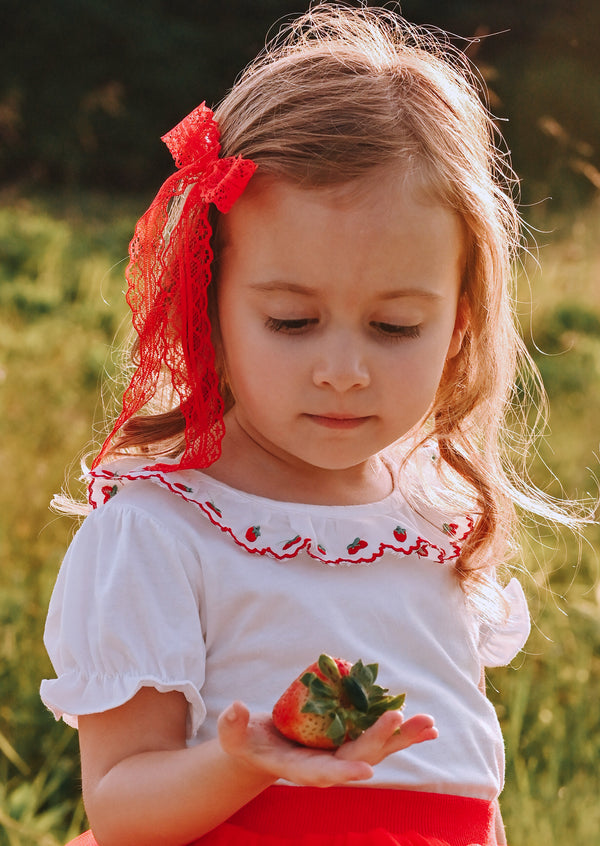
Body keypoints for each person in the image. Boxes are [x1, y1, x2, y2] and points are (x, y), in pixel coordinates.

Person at [40, 4, 577, 845]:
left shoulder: (433, 520)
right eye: (292, 321)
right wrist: (243, 762)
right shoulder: (162, 532)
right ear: (208, 308)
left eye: (396, 327)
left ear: (460, 325)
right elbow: (118, 807)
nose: (343, 369)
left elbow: (471, 791)